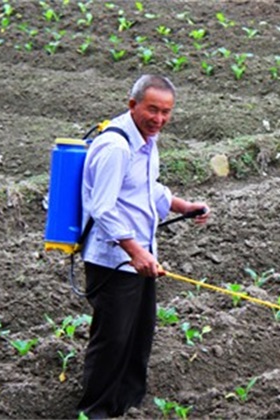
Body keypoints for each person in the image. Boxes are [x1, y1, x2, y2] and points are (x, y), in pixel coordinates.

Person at [78, 74, 209, 419]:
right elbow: (102, 207)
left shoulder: (147, 141)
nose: (159, 119)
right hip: (114, 261)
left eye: (166, 112)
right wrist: (134, 251)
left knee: (139, 335)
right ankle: (97, 412)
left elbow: (143, 188)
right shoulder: (116, 147)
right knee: (113, 340)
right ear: (132, 104)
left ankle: (130, 406)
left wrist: (183, 206)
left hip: (141, 256)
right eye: (152, 110)